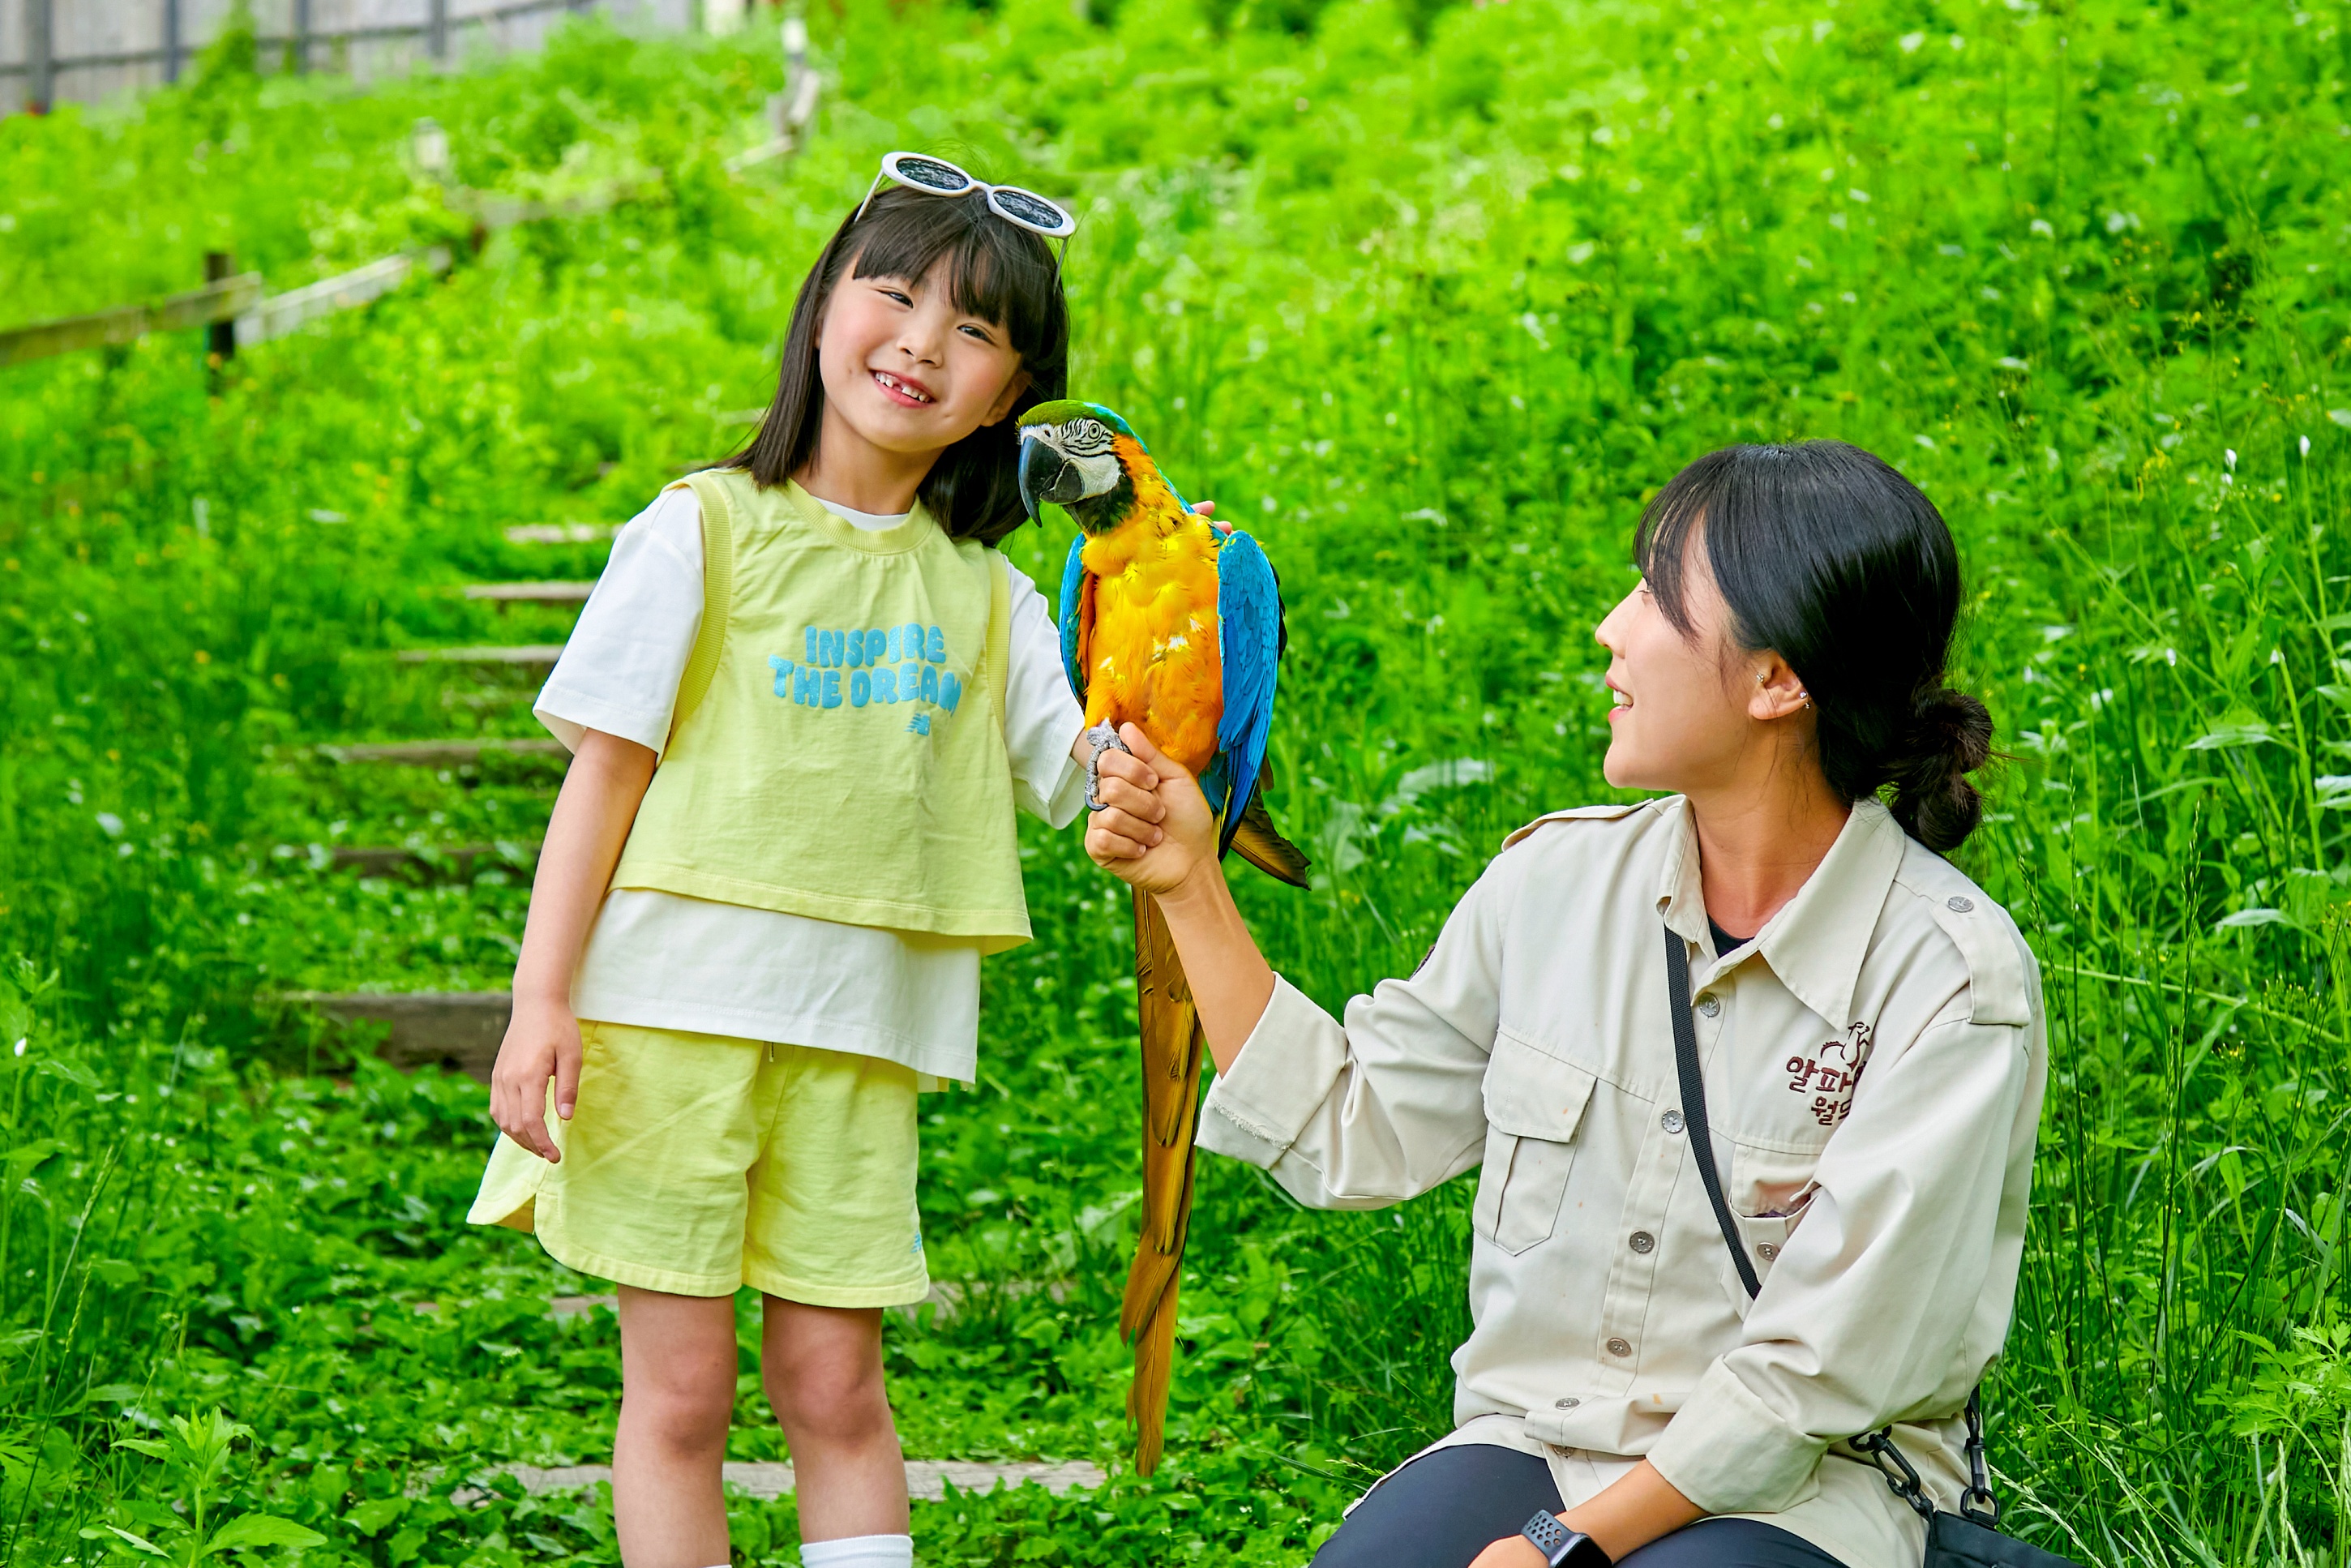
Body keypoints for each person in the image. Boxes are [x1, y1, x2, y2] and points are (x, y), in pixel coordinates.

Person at [1083, 440, 2045, 1568]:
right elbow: (1356, 1127)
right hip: (1538, 1438)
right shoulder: (1553, 886)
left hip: (1806, 1488)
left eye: (1654, 595)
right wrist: (1191, 883)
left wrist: (1565, 1545)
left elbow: (1815, 1371)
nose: (1611, 627)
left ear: (1776, 680)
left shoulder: (1950, 981)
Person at [466, 161, 1103, 1568]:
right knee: (682, 1396)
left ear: (1011, 394)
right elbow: (605, 775)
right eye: (895, 294)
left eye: (979, 330)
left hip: (855, 1042)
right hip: (662, 1026)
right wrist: (541, 1000)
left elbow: (1091, 779)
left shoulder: (991, 596)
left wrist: (1181, 725)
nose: (925, 343)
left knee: (838, 1389)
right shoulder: (702, 529)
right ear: (824, 308)